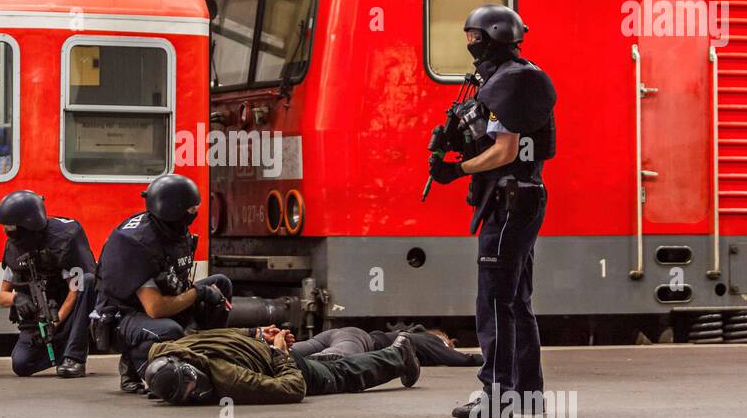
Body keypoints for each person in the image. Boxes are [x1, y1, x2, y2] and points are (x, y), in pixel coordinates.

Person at [428, 5, 557, 418]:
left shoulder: (514, 81)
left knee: (496, 301)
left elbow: (503, 150)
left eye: (474, 37)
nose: (470, 45)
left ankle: (499, 394)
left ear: (492, 37)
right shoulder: (518, 75)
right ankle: (526, 394)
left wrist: (456, 168)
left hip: (511, 199)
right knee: (516, 300)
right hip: (520, 195)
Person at [95, 174, 232, 394]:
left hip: (160, 302)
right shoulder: (136, 243)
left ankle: (207, 355)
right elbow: (155, 308)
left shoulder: (172, 229)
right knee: (169, 330)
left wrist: (199, 292)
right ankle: (138, 365)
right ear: (172, 210)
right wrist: (198, 293)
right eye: (190, 210)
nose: (194, 214)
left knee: (221, 285)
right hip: (124, 316)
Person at [142, 327, 419, 406]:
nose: (195, 393)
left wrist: (279, 352)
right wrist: (256, 332)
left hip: (276, 360)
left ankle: (399, 356)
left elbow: (293, 387)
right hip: (261, 349)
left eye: (193, 388)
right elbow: (218, 333)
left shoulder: (228, 379)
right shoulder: (171, 348)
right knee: (324, 364)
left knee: (337, 375)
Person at [0, 190, 96, 379]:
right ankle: (63, 350)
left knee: (88, 281)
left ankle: (74, 357)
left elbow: (75, 290)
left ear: (28, 223)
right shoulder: (14, 247)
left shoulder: (64, 239)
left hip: (66, 314)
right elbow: (2, 296)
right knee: (21, 365)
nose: (5, 231)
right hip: (37, 321)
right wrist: (17, 298)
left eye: (10, 226)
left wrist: (57, 319)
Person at [289, 325, 481, 368]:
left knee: (290, 352)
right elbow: (458, 359)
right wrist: (487, 359)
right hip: (359, 341)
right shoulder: (433, 341)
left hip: (340, 334)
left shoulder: (410, 334)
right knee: (334, 359)